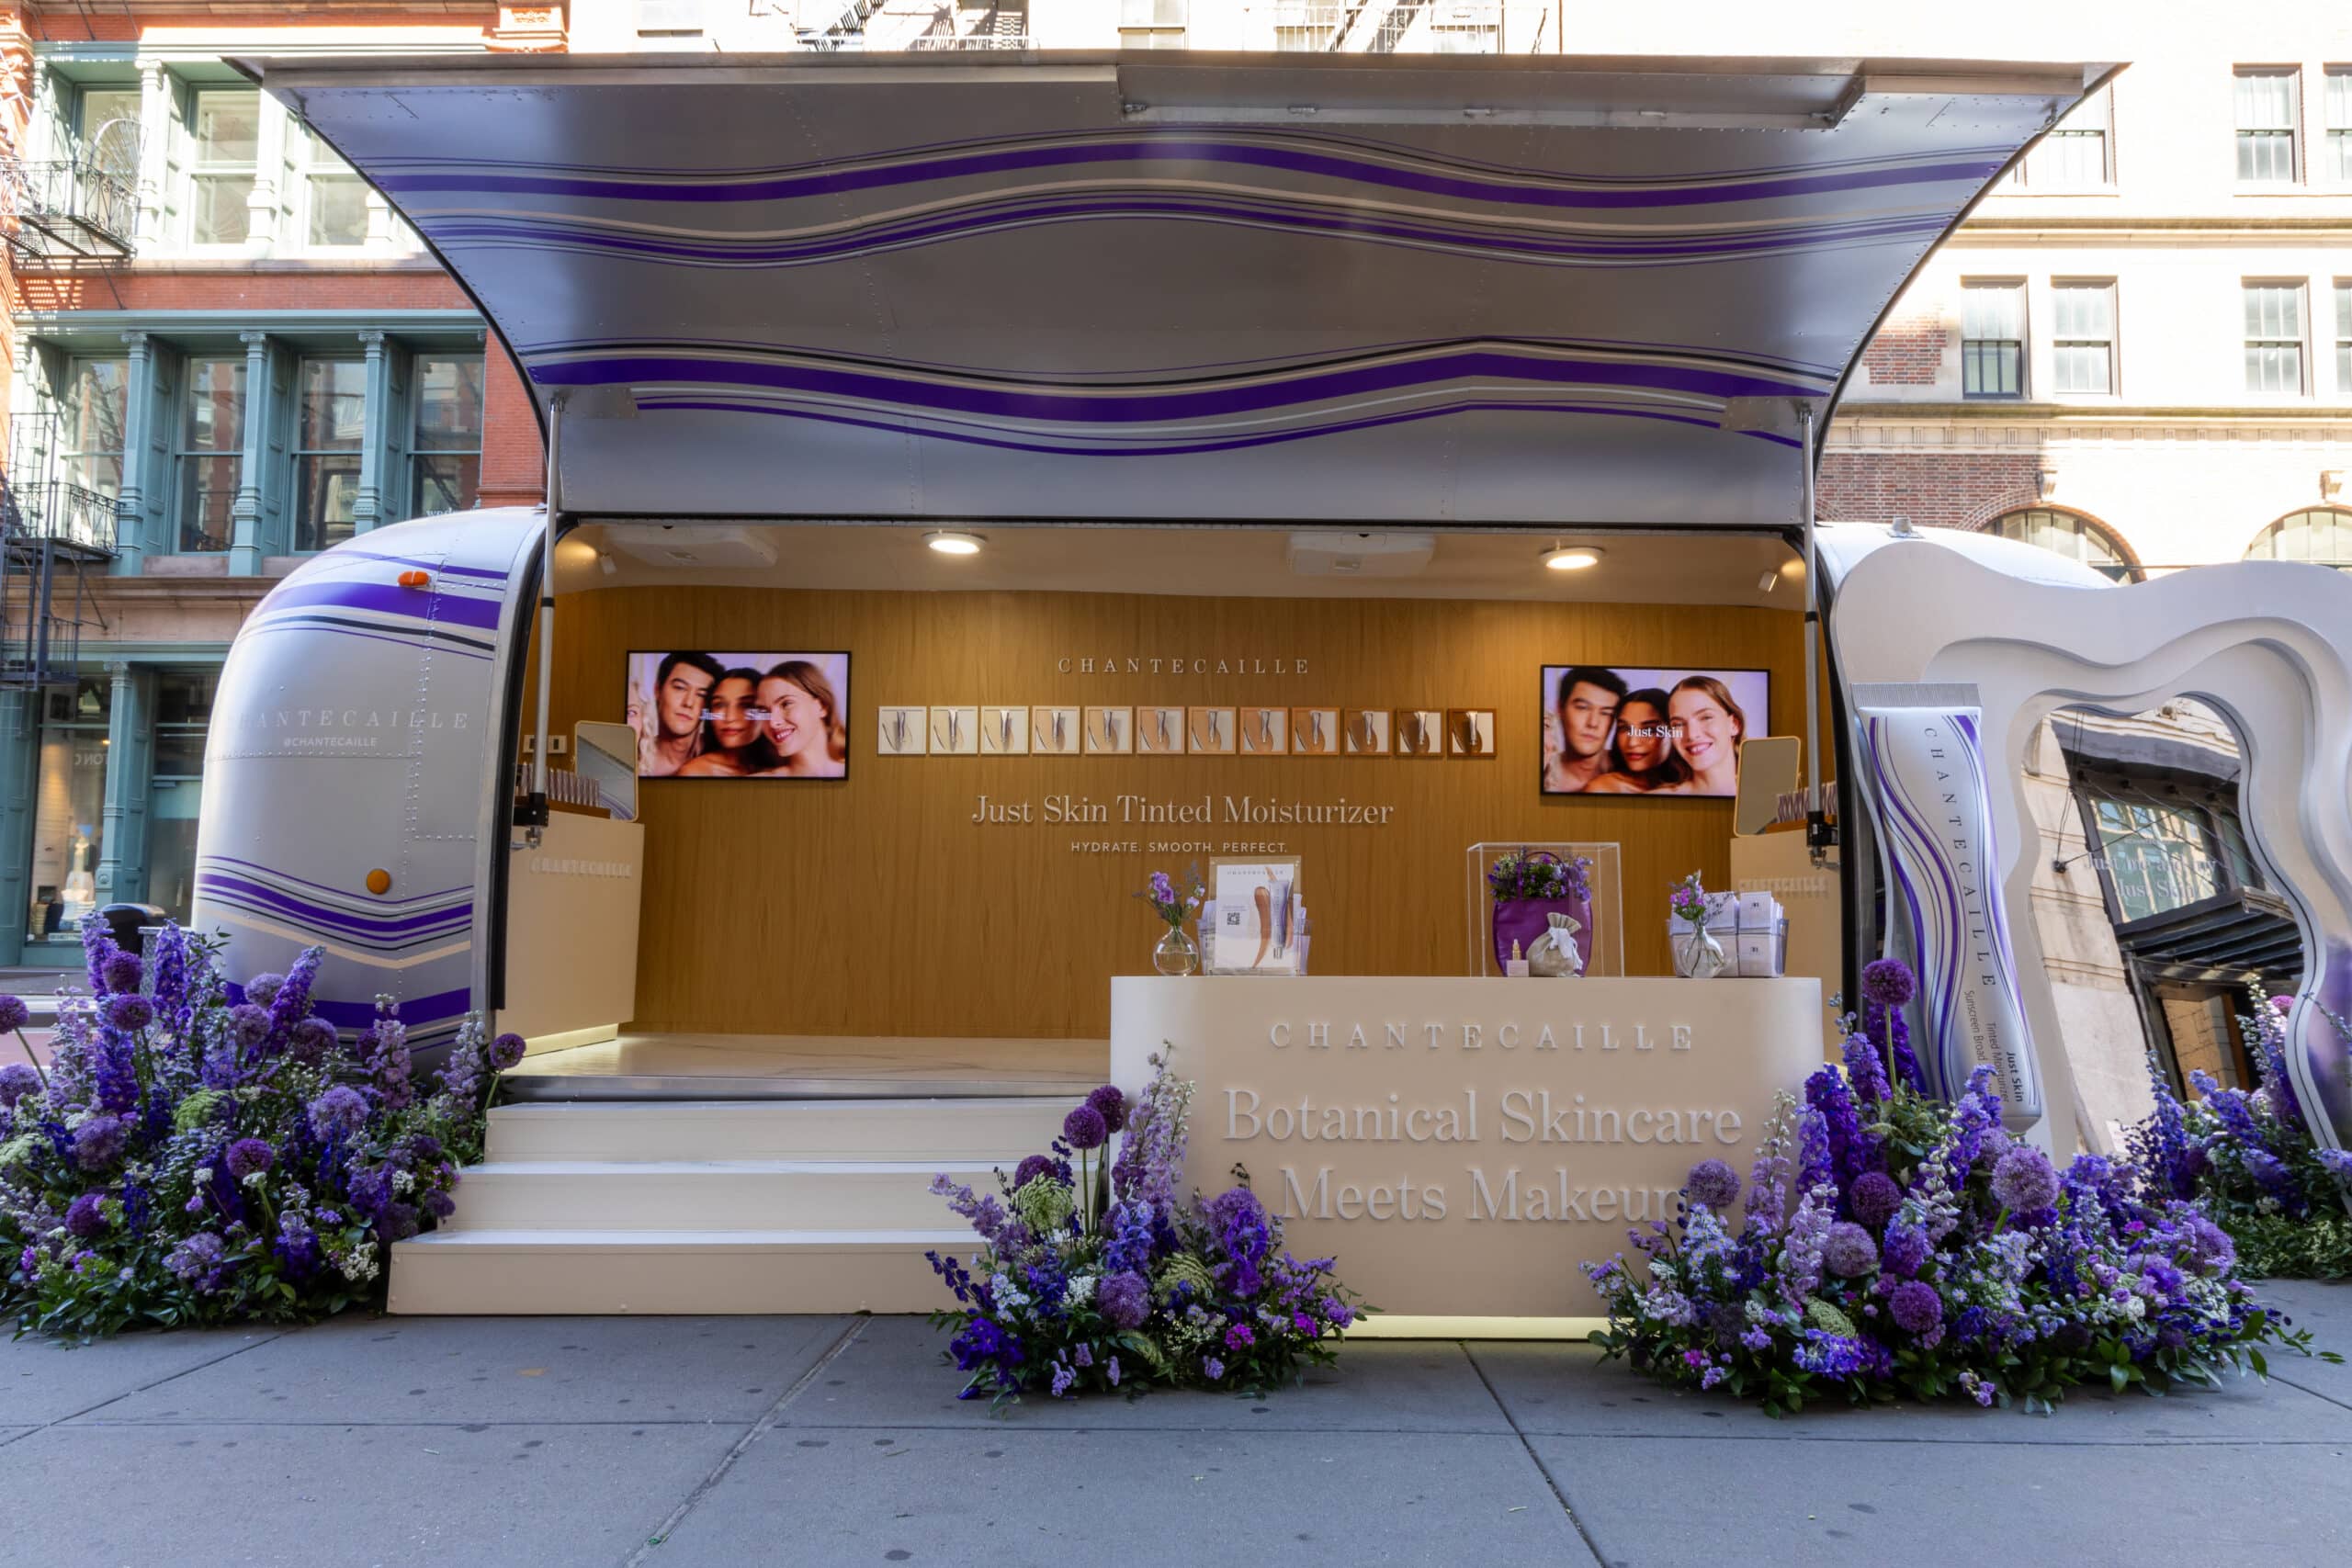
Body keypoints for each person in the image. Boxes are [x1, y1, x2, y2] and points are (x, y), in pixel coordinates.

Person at [675, 668, 782, 777]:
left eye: (746, 705)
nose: (729, 718)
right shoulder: (695, 772)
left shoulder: (784, 764)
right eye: (719, 705)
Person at [1585, 687, 1690, 794]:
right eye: (1625, 728)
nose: (1632, 743)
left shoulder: (1692, 785)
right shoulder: (1603, 789)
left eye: (1649, 730)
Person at [634, 651, 721, 777]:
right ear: (658, 690)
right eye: (680, 688)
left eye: (702, 695)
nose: (689, 703)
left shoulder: (723, 756)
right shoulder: (636, 760)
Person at [1542, 666, 1627, 793]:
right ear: (1560, 708)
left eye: (1606, 713)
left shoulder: (1631, 770)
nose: (1593, 723)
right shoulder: (1543, 770)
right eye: (1582, 708)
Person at [756, 659, 848, 777]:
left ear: (822, 706)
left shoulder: (861, 774)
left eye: (786, 704)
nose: (772, 723)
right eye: (764, 711)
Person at [1663, 674, 1748, 797]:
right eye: (1678, 724)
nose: (1691, 735)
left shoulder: (1768, 793)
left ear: (1734, 724)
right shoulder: (1658, 799)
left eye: (1706, 717)